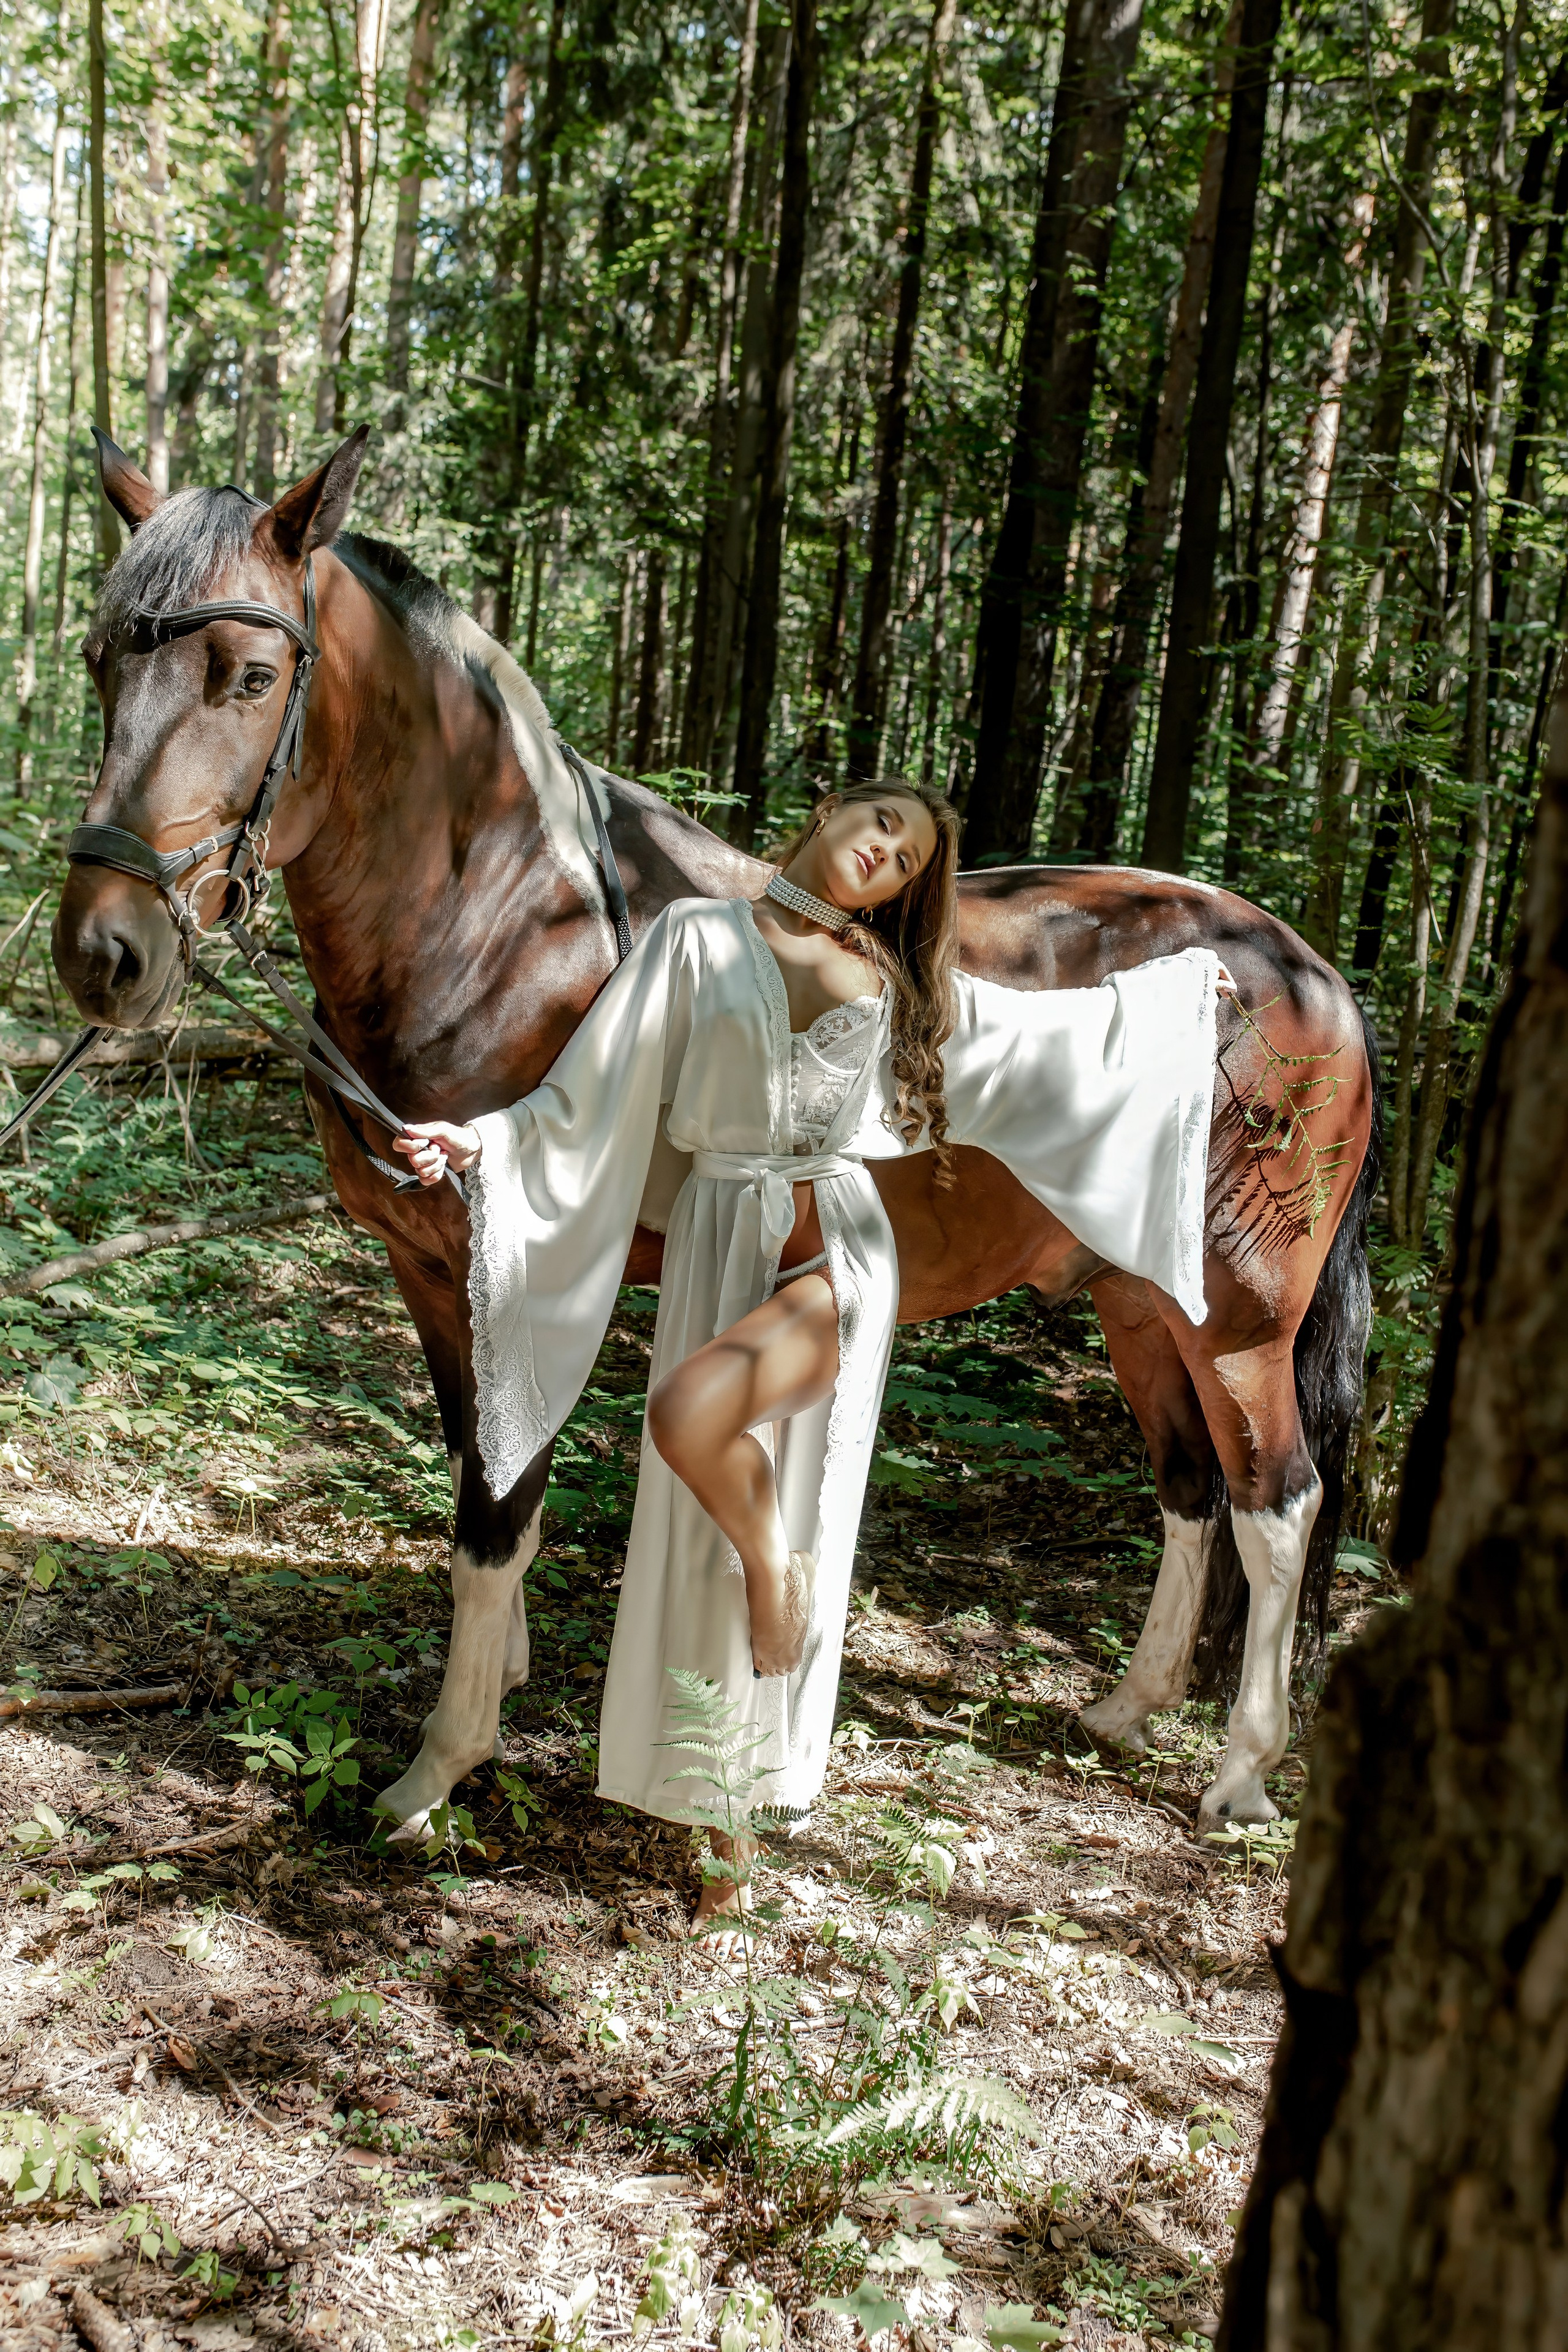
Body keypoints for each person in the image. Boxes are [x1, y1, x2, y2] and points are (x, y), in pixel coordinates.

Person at [394, 784, 1229, 1926]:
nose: (885, 852)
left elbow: (1052, 1053)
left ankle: (777, 1609)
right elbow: (586, 1096)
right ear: (833, 811)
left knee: (711, 1432)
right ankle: (720, 1816)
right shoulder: (695, 937)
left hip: (838, 1250)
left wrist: (1183, 1003)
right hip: (716, 1245)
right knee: (704, 1525)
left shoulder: (894, 986)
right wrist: (479, 1141)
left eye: (910, 859)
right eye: (882, 822)